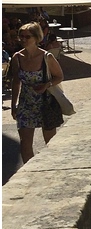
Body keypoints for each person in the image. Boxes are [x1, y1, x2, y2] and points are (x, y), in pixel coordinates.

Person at [10, 21, 64, 164]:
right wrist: (13, 105)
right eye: (21, 36)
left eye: (27, 37)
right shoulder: (17, 58)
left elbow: (59, 76)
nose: (23, 39)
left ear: (36, 38)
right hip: (25, 105)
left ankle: (51, 168)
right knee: (25, 144)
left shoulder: (47, 57)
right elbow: (16, 82)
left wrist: (47, 84)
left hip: (45, 104)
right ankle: (29, 172)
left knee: (50, 143)